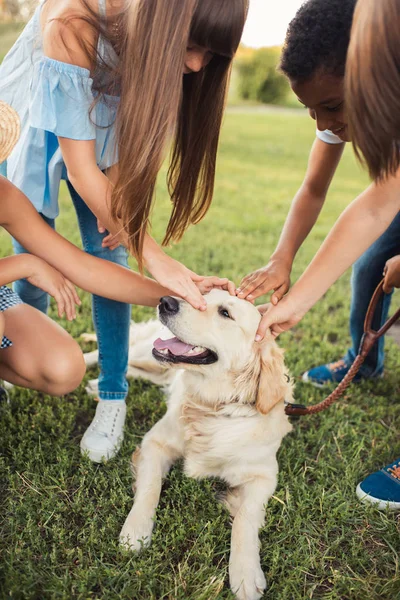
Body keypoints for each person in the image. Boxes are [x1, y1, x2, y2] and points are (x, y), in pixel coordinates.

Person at [0, 0, 247, 461]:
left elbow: (84, 265)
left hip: (100, 135)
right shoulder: (74, 20)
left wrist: (170, 293)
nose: (195, 66)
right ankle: (12, 350)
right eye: (191, 47)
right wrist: (27, 263)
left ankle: (111, 393)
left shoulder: (156, 54)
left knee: (104, 253)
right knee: (28, 249)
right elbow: (79, 168)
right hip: (46, 118)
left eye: (210, 55)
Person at [244, 0, 400, 511]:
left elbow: (377, 203)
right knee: (372, 266)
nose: (325, 122)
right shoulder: (337, 109)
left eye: (331, 106)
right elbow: (317, 189)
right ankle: (365, 360)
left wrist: (300, 302)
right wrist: (283, 259)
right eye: (312, 111)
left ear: (370, 72)